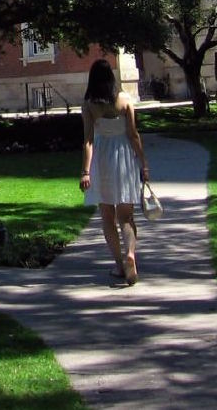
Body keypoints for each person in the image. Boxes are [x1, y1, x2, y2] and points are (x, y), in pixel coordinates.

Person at [79, 58, 149, 285]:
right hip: (124, 157)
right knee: (126, 215)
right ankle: (131, 254)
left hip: (102, 159)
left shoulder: (89, 104)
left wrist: (86, 172)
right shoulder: (125, 100)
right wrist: (143, 163)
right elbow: (134, 135)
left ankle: (119, 265)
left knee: (107, 215)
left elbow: (88, 140)